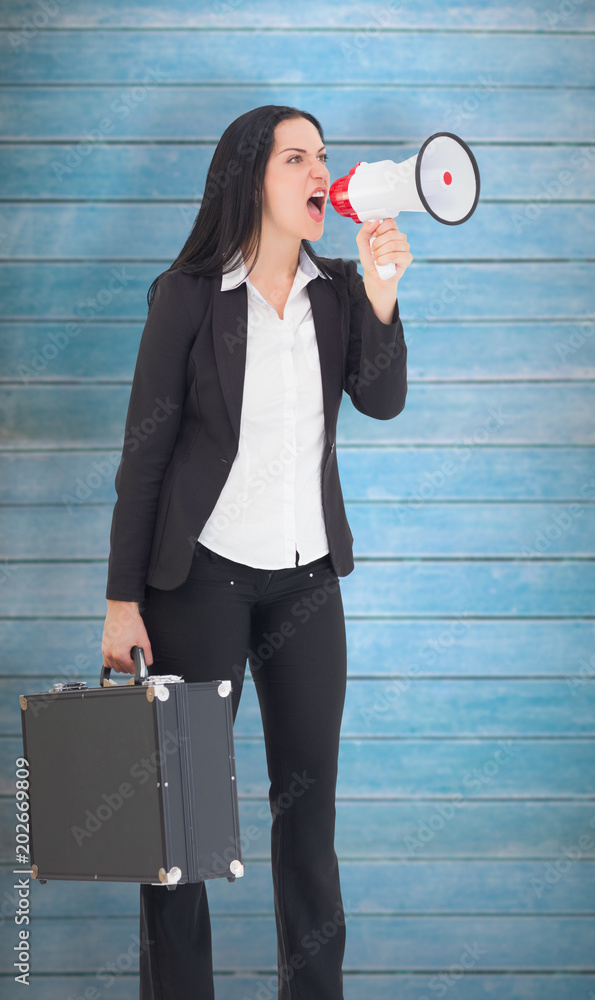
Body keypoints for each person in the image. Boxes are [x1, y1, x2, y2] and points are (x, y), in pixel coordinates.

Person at [101, 104, 412, 1000]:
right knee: (181, 830)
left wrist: (384, 298)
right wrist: (125, 600)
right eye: (296, 157)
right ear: (250, 178)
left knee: (307, 819)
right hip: (199, 585)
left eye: (324, 156)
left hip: (306, 588)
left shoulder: (343, 289)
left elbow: (381, 400)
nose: (321, 170)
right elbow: (145, 453)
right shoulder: (190, 294)